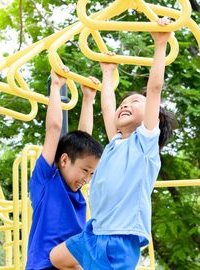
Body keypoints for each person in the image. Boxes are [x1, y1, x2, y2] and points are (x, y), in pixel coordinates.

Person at [49, 17, 177, 269]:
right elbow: (108, 106)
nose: (125, 105)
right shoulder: (116, 142)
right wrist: (107, 71)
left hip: (119, 238)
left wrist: (160, 45)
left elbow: (154, 90)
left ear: (153, 118)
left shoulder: (144, 144)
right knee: (57, 258)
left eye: (135, 103)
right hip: (94, 232)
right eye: (124, 103)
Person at [26, 65, 104, 270]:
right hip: (43, 265)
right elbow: (53, 129)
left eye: (91, 173)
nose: (87, 179)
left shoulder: (77, 194)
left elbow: (84, 139)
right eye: (85, 171)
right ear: (63, 160)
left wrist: (88, 99)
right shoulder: (46, 181)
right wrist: (56, 85)